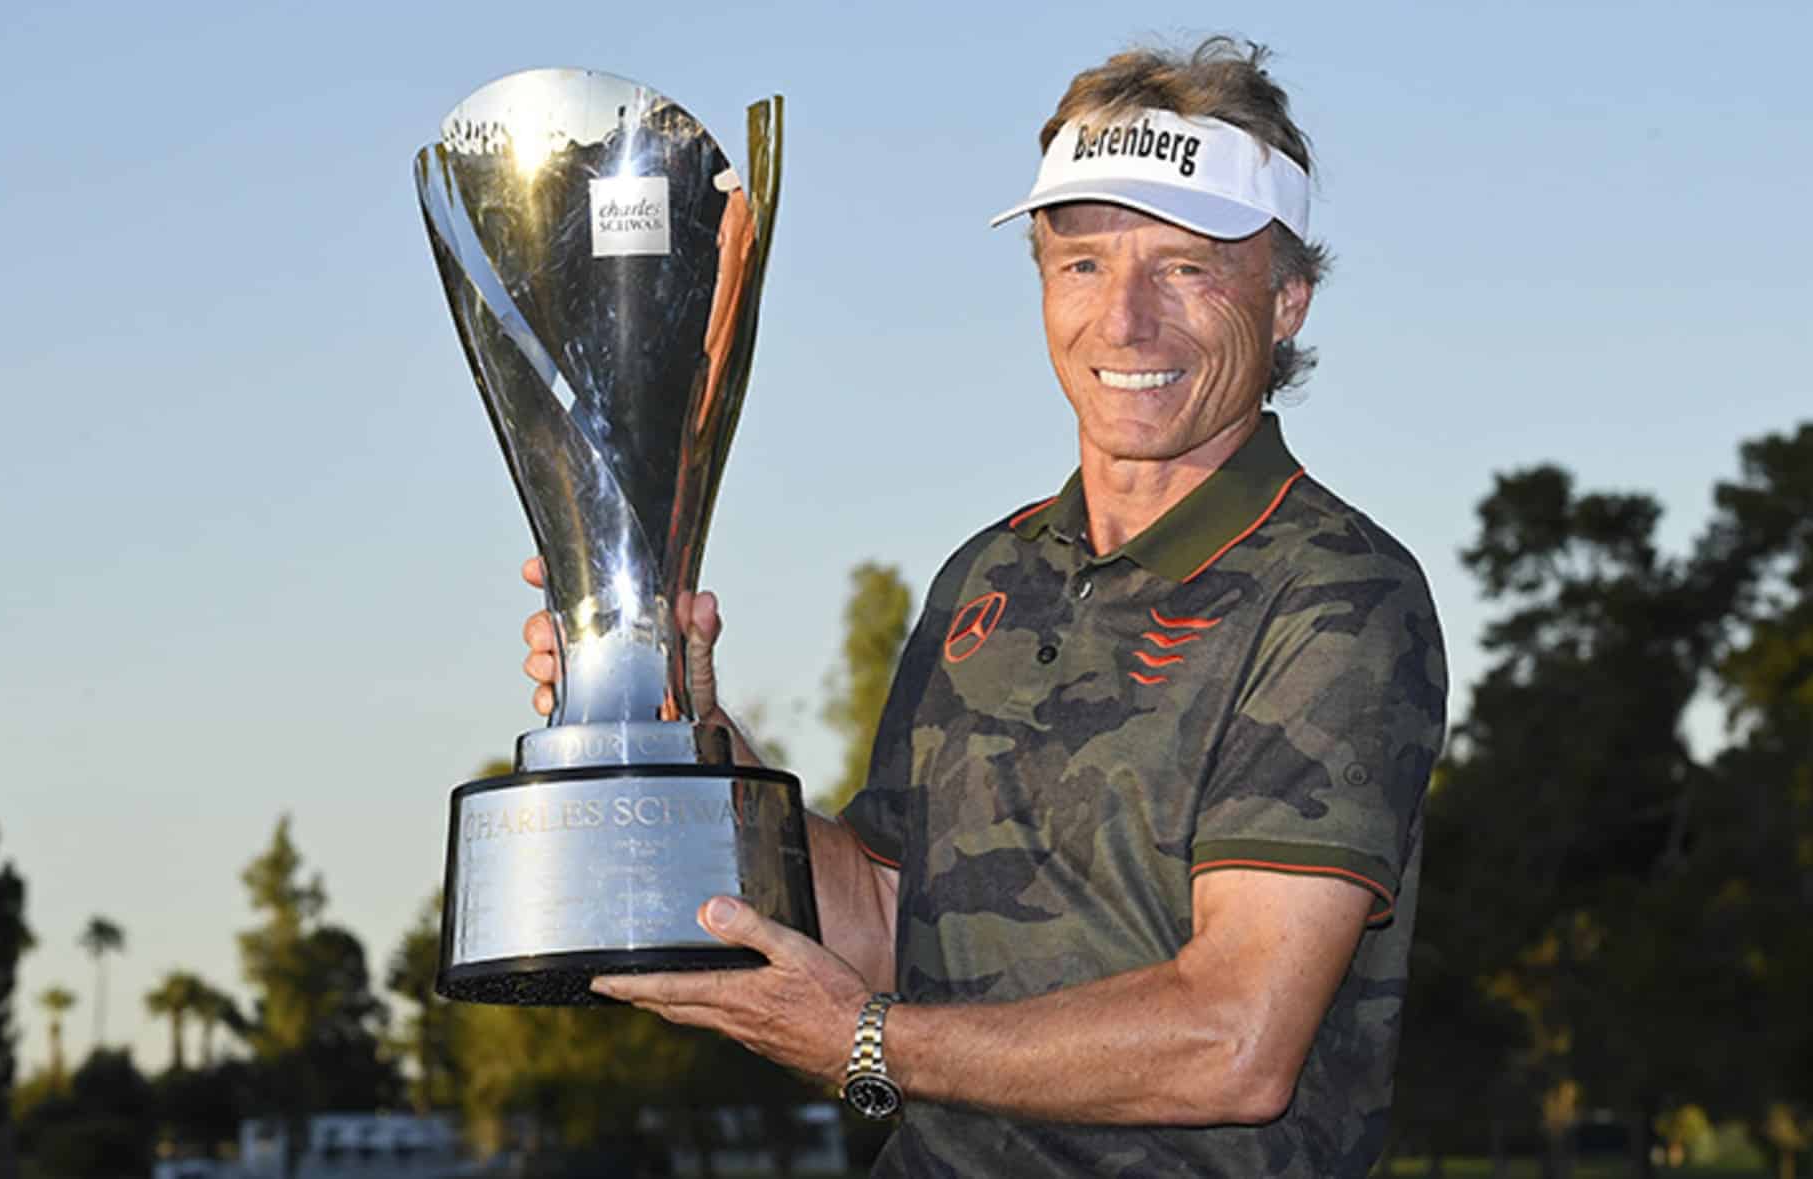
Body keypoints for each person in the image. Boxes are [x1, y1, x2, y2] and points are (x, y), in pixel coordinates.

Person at [518, 37, 1446, 1178]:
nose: (1126, 322)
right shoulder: (988, 577)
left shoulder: (1338, 594)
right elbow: (881, 917)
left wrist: (865, 1042)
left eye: (1188, 268)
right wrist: (684, 738)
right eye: (1084, 266)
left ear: (1289, 298)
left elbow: (1235, 1040)